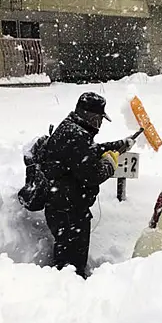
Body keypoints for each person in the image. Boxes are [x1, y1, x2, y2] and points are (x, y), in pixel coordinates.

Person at [40, 92, 136, 278]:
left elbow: (90, 152)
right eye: (100, 119)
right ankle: (71, 293)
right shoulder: (76, 136)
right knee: (71, 266)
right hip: (69, 212)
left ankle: (67, 286)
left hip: (64, 207)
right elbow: (92, 175)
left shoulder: (73, 129)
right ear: (90, 116)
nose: (100, 124)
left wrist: (119, 145)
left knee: (67, 260)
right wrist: (110, 164)